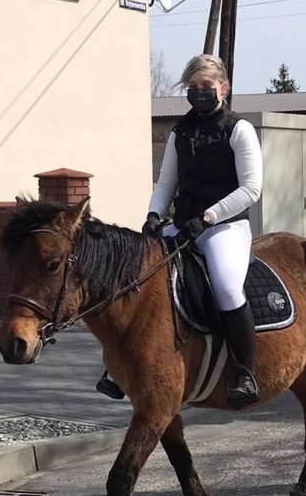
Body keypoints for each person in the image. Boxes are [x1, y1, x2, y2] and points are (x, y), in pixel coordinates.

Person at [96, 54, 263, 408]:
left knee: (228, 288)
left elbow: (251, 189)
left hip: (225, 227)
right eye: (193, 88)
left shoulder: (239, 129)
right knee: (138, 275)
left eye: (206, 87)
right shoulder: (180, 131)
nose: (200, 94)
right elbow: (167, 180)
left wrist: (209, 217)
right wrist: (154, 215)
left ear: (224, 88)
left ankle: (244, 371)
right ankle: (118, 365)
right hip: (183, 225)